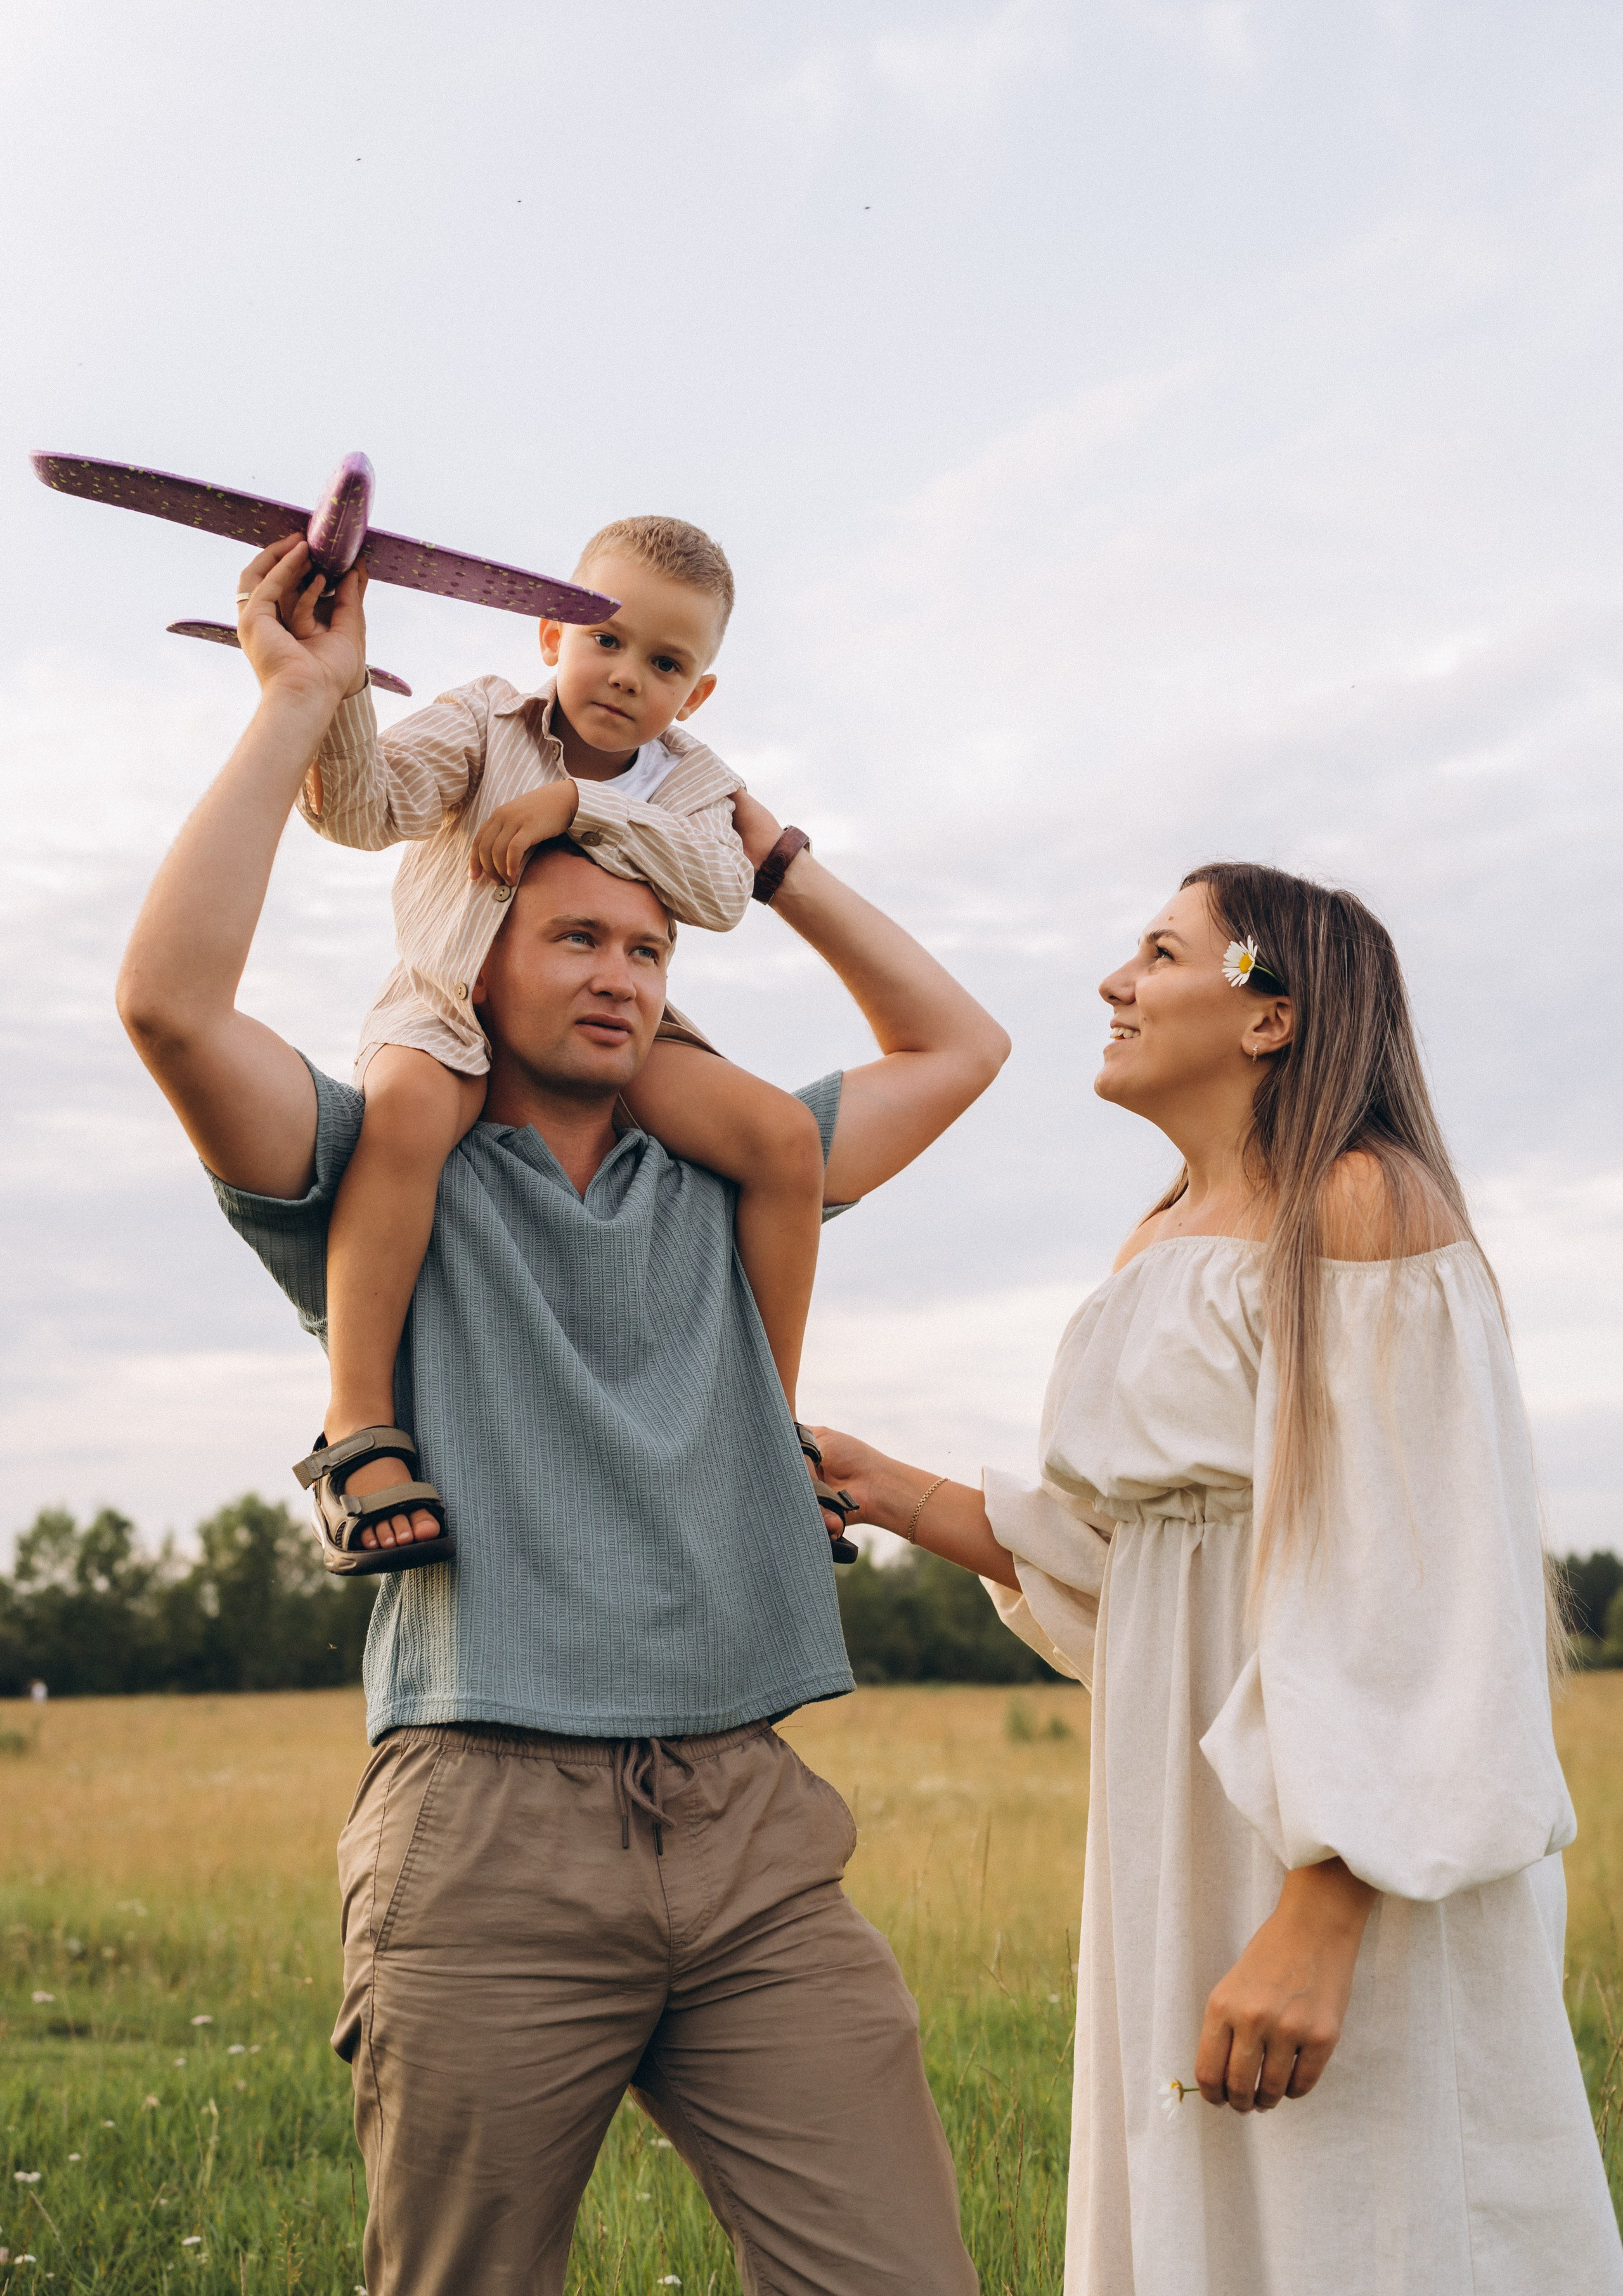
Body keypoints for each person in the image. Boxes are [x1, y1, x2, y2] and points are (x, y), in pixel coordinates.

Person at [115, 535, 1005, 2296]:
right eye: (578, 939)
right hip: (486, 1828)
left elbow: (957, 1048)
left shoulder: (734, 1174)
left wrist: (778, 860)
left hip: (752, 1823)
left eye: (649, 952)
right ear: (481, 955)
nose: (619, 973)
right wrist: (301, 707)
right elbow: (166, 1005)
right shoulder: (385, 1165)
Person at [812, 863, 1623, 2295]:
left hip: (1344, 1850)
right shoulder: (1157, 1235)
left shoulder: (1362, 1206)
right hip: (1177, 1820)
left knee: (1370, 2214)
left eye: (1158, 951)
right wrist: (878, 1484)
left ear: (1268, 1017)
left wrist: (1322, 1910)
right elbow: (1133, 1566)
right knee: (1217, 2217)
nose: (1114, 984)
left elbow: (1429, 1590)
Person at [283, 513, 827, 1567]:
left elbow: (720, 891)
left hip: (613, 1033)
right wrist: (340, 688)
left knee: (783, 1141)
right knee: (403, 1118)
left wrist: (575, 806)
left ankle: (768, 1421)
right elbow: (357, 810)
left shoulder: (691, 778)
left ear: (696, 692)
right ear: (550, 636)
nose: (626, 676)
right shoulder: (487, 720)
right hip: (447, 1003)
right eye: (606, 640)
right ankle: (357, 1420)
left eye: (665, 662)